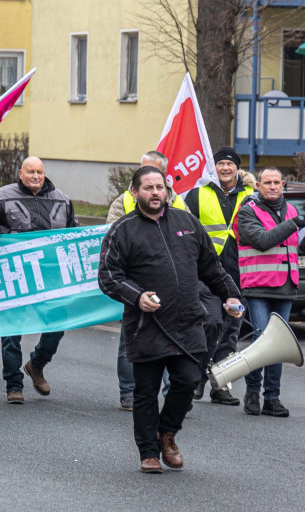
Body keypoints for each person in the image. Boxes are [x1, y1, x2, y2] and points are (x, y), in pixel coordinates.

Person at [99, 166, 243, 473]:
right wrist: (137, 297)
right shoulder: (123, 230)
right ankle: (148, 452)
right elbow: (108, 276)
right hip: (146, 326)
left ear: (167, 191)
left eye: (159, 187)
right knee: (146, 392)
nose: (155, 193)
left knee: (188, 380)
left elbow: (212, 268)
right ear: (135, 192)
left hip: (189, 321)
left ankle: (167, 433)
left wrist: (230, 295)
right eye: (148, 188)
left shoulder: (188, 222)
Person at [0, 156, 78, 404]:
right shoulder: (0, 197)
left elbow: (75, 235)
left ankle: (37, 364)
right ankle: (13, 385)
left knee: (58, 322)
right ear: (20, 173)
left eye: (39, 172)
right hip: (14, 274)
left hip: (51, 276)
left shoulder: (63, 199)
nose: (35, 176)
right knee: (12, 329)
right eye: (30, 172)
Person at [234, 167, 305, 418]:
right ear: (259, 186)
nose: (272, 186)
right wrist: (293, 224)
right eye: (267, 182)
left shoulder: (293, 211)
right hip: (259, 286)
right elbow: (262, 240)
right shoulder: (248, 211)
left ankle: (272, 397)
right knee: (263, 341)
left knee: (278, 344)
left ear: (282, 184)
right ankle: (253, 392)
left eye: (276, 182)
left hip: (285, 286)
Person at [107, 150, 190, 411]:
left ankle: (173, 393)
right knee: (130, 339)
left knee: (173, 341)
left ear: (164, 176)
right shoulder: (123, 202)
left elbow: (190, 236)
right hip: (136, 283)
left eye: (156, 174)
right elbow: (111, 236)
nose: (150, 179)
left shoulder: (178, 203)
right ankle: (129, 392)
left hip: (171, 284)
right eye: (144, 170)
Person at [183, 146, 256, 407]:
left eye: (230, 164)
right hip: (205, 272)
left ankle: (221, 386)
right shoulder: (197, 193)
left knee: (231, 331)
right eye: (221, 164)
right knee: (210, 323)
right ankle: (199, 375)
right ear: (214, 167)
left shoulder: (252, 195)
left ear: (237, 168)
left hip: (240, 272)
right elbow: (183, 226)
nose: (225, 168)